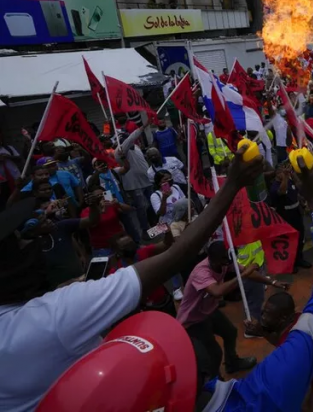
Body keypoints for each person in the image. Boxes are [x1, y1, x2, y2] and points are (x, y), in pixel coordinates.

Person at [0, 145, 263, 411]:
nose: (35, 243)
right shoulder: (51, 318)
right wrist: (232, 185)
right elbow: (176, 255)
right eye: (24, 239)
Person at [177, 240, 279, 378]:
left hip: (208, 311)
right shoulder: (201, 272)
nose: (228, 262)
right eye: (224, 259)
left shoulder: (225, 261)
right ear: (213, 260)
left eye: (228, 258)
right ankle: (213, 382)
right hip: (193, 320)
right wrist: (242, 275)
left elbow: (246, 272)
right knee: (214, 353)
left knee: (230, 332)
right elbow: (217, 291)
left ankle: (232, 363)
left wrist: (272, 281)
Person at [115, 126, 154, 237]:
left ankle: (155, 227)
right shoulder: (119, 152)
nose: (131, 142)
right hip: (135, 185)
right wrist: (144, 126)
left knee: (152, 204)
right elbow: (129, 140)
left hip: (147, 181)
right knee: (142, 208)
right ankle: (145, 231)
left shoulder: (136, 147)